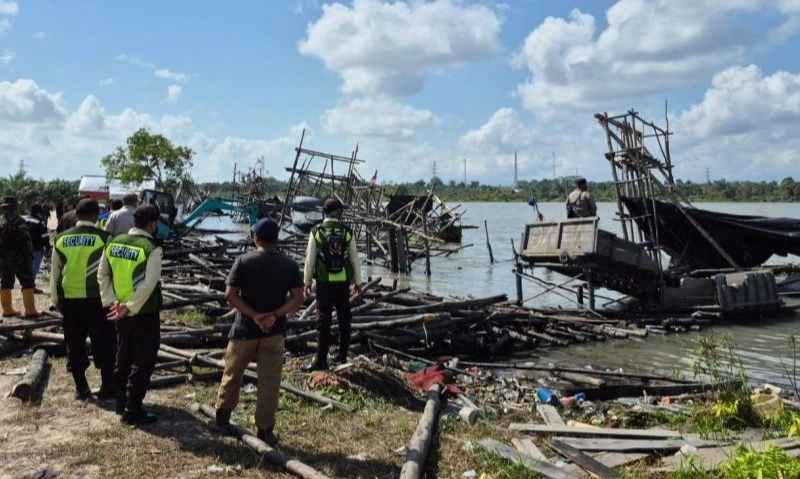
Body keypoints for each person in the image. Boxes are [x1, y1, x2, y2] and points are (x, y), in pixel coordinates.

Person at [214, 217, 304, 446]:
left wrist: (253, 315)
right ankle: (264, 430)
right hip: (273, 332)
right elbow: (298, 297)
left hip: (244, 329)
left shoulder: (243, 261)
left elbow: (230, 295)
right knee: (270, 381)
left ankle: (222, 420)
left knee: (232, 374)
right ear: (276, 240)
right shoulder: (289, 264)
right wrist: (275, 315)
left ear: (256, 238)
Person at [98, 204, 163, 425]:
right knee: (143, 361)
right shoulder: (150, 248)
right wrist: (131, 306)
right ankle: (133, 408)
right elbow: (149, 284)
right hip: (143, 313)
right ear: (152, 223)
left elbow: (102, 275)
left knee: (123, 355)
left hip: (119, 311)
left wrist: (112, 302)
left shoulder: (113, 243)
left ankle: (120, 402)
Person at [51, 198, 117, 400]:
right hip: (98, 300)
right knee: (105, 342)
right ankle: (107, 387)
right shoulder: (105, 238)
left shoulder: (61, 239)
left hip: (70, 300)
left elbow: (55, 272)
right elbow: (111, 272)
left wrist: (56, 300)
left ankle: (81, 388)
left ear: (76, 215)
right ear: (97, 216)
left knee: (74, 343)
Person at [301, 197, 361, 372]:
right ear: (339, 213)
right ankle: (342, 355)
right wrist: (358, 282)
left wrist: (306, 281)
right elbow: (354, 260)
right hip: (343, 282)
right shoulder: (347, 232)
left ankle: (321, 359)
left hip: (324, 282)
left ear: (324, 212)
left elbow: (310, 260)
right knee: (344, 318)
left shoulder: (317, 232)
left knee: (323, 320)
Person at [0, 196, 40, 317]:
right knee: (27, 281)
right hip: (19, 258)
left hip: (3, 258)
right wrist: (30, 256)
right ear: (15, 207)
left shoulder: (0, 221)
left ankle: (7, 310)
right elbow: (26, 241)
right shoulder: (19, 221)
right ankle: (30, 310)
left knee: (5, 282)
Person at [25, 203, 51, 282]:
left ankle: (27, 286)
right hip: (36, 248)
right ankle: (30, 287)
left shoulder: (25, 220)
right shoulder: (40, 222)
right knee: (34, 268)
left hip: (25, 248)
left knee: (27, 267)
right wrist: (48, 248)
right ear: (39, 211)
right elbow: (44, 236)